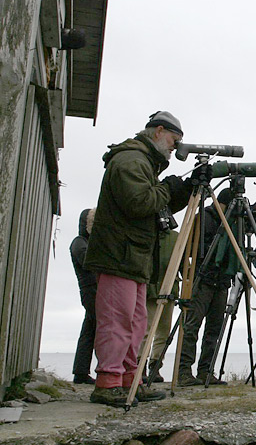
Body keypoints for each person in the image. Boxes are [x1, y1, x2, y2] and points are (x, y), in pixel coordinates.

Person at [83, 111, 198, 407]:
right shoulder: (131, 160)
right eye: (174, 140)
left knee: (135, 322)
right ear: (159, 131)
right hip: (119, 255)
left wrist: (183, 191)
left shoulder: (143, 162)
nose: (175, 147)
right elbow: (139, 202)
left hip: (132, 257)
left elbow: (154, 206)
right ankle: (108, 382)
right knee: (117, 321)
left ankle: (128, 380)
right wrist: (168, 187)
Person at [178, 188, 235, 387]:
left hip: (221, 281)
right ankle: (184, 371)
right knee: (192, 325)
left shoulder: (232, 222)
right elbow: (187, 246)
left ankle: (205, 371)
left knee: (214, 328)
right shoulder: (203, 217)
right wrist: (185, 275)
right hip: (202, 279)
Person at [139, 228, 180, 383]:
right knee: (146, 330)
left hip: (169, 287)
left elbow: (183, 263)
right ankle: (139, 365)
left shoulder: (176, 237)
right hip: (150, 287)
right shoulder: (147, 232)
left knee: (163, 331)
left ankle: (155, 365)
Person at [70, 208, 97, 384]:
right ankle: (83, 371)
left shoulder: (83, 242)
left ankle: (80, 372)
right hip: (90, 290)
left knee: (90, 329)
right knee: (95, 329)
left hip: (93, 289)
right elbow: (88, 261)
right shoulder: (79, 242)